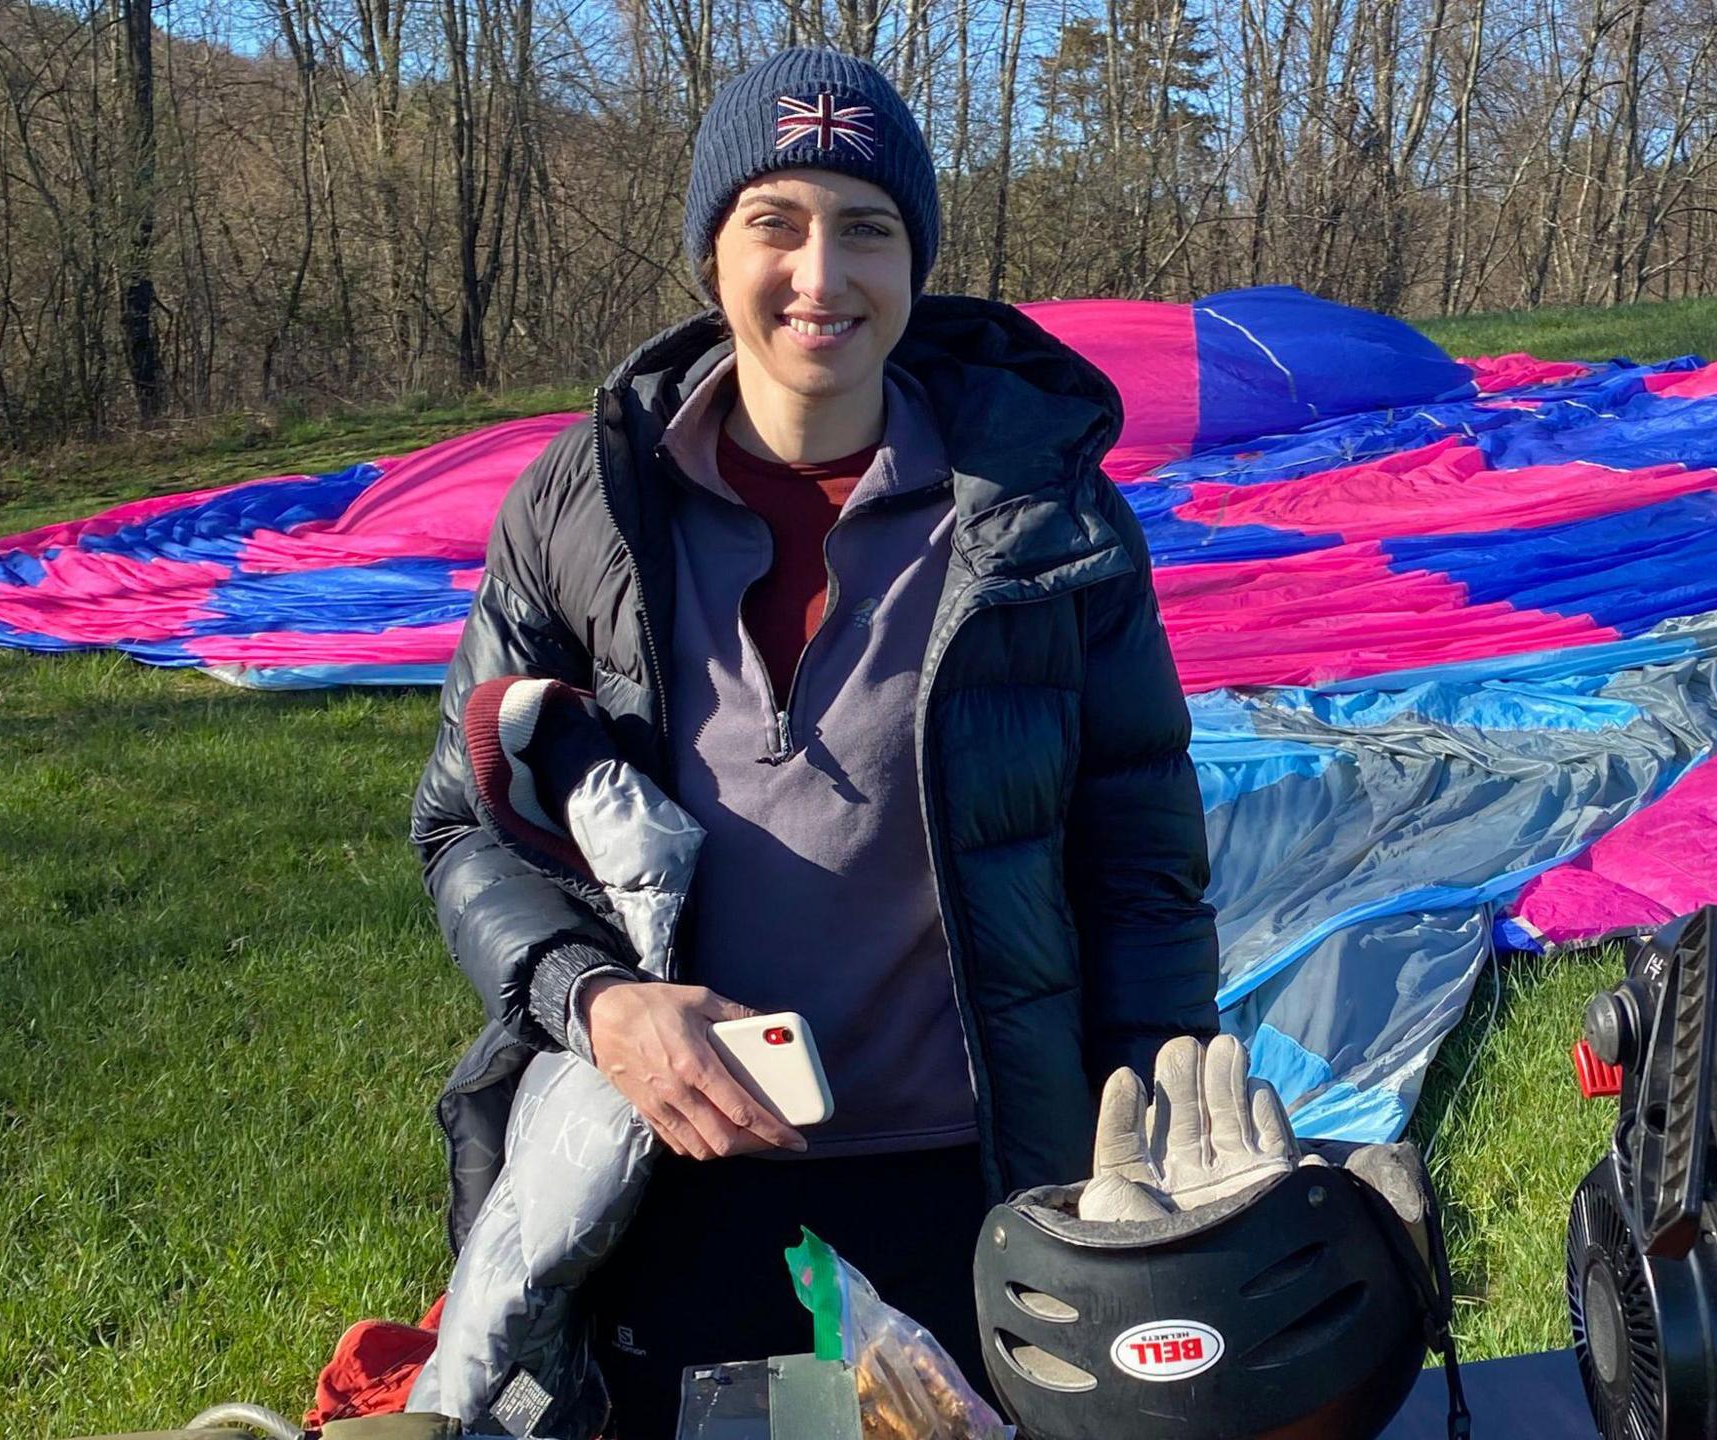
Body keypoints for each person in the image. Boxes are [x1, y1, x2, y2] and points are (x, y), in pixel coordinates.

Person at [408, 47, 1220, 1438]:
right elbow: (460, 829)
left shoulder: (1047, 520)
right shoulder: (582, 506)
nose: (821, 276)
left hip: (973, 1182)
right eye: (774, 224)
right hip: (665, 1177)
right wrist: (599, 1008)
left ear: (916, 261)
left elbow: (1139, 863)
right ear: (711, 254)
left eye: (868, 228)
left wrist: (1144, 1180)